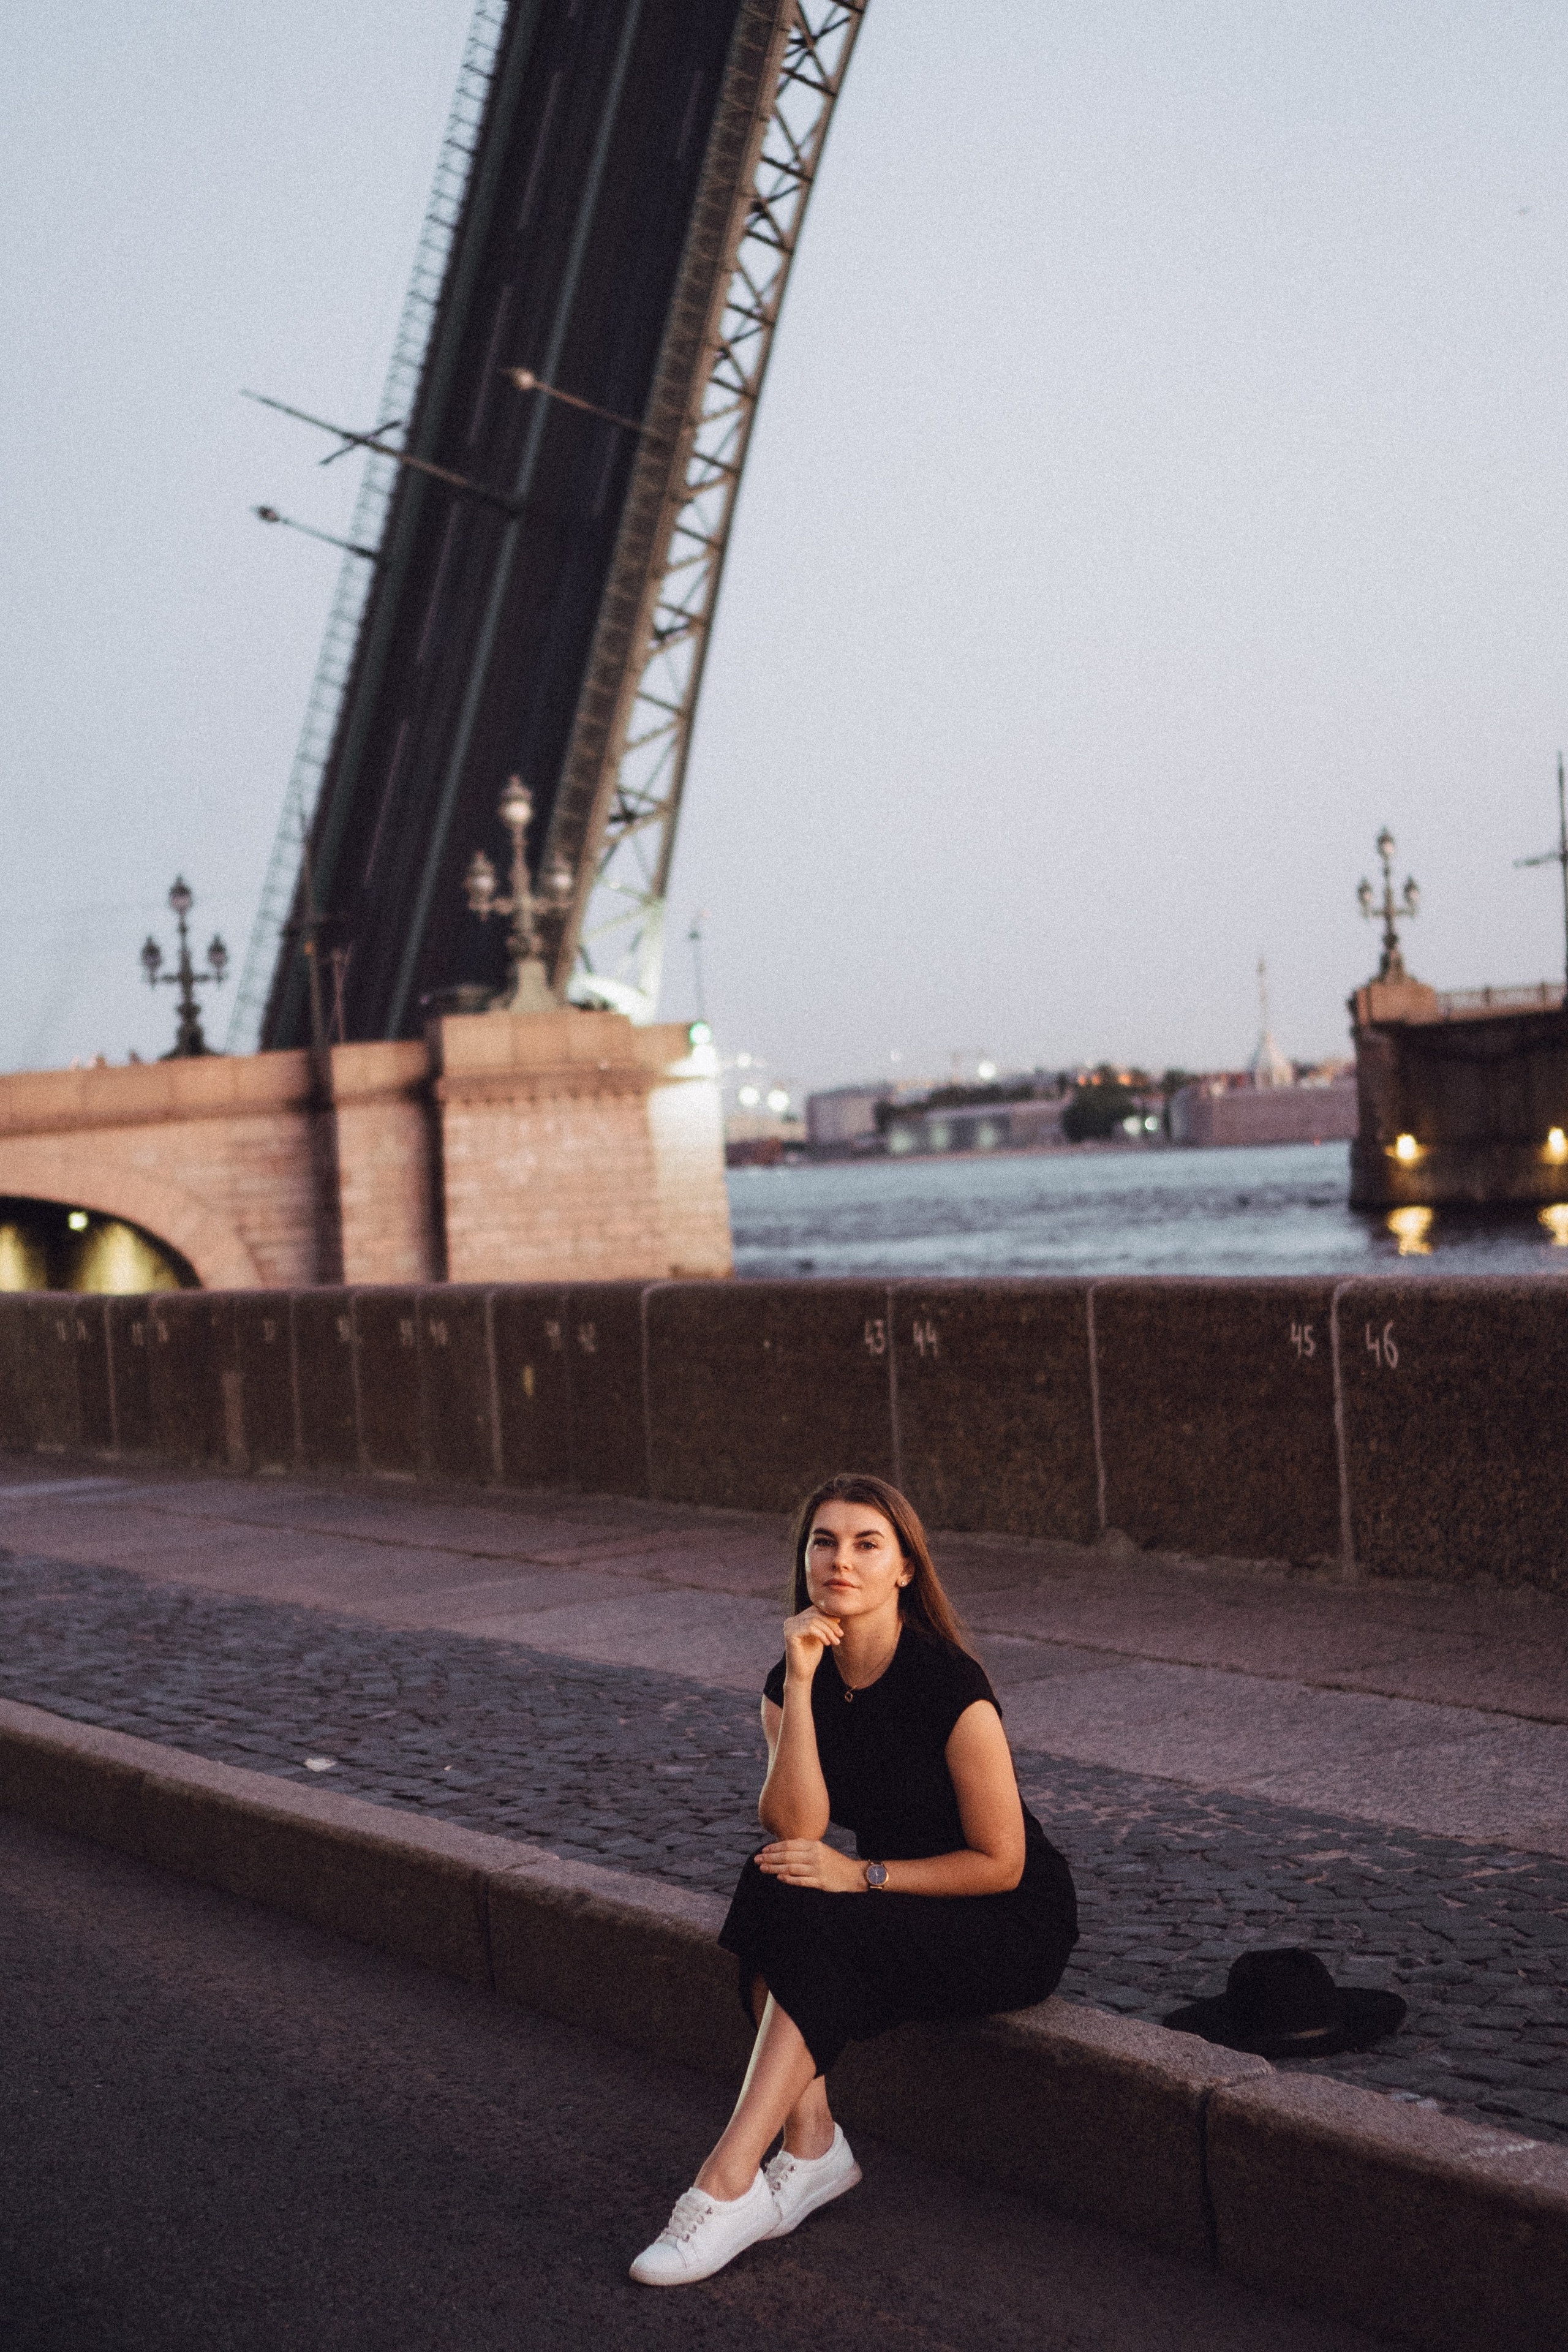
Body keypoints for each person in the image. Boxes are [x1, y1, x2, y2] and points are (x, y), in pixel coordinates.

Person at [630, 1471, 1079, 2286]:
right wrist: (800, 1684)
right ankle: (811, 2146)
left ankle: (725, 2181)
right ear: (804, 1561)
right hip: (891, 1897)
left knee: (826, 1911)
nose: (843, 1559)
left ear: (905, 1568)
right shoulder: (794, 1674)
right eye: (824, 1542)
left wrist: (862, 1874)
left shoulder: (951, 1687)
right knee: (773, 1878)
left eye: (868, 1544)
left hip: (1004, 1918)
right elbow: (795, 1826)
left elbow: (1002, 1862)